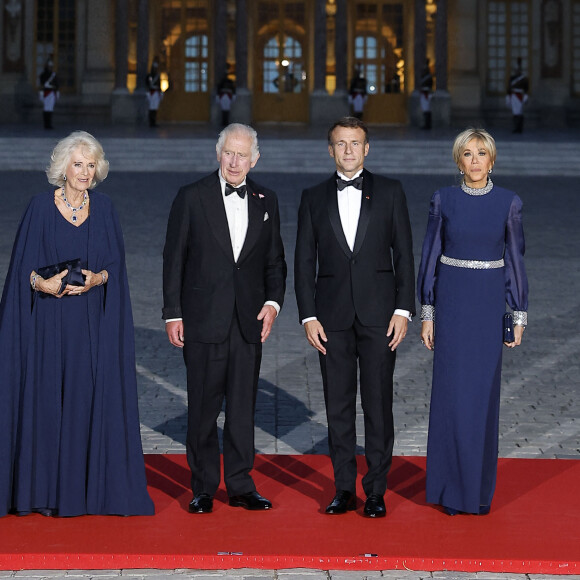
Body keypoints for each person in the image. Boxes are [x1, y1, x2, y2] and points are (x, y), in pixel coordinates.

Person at [0, 131, 154, 517]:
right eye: (78, 164)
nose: (84, 171)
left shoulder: (105, 208)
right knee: (49, 404)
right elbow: (21, 271)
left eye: (90, 164)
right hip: (48, 328)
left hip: (90, 328)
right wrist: (43, 282)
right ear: (63, 167)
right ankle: (44, 492)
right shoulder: (38, 208)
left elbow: (115, 267)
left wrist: (98, 279)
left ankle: (85, 492)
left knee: (84, 403)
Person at [294, 117, 415, 518]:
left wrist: (403, 310)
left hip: (382, 316)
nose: (348, 150)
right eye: (341, 144)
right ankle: (343, 488)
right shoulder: (312, 197)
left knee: (378, 405)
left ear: (368, 148)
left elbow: (405, 256)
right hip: (331, 319)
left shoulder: (392, 192)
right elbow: (303, 261)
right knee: (338, 406)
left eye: (355, 143)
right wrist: (308, 315)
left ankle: (376, 490)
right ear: (330, 150)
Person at [163, 123, 287, 514]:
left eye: (243, 155)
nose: (235, 162)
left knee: (243, 407)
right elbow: (173, 261)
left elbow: (275, 261)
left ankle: (240, 484)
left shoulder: (268, 200)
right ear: (218, 154)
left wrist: (273, 303)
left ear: (255, 159)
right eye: (229, 153)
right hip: (202, 319)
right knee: (202, 406)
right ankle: (202, 486)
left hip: (248, 320)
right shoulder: (191, 197)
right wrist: (172, 314)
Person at [417, 127, 528, 516]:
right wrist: (428, 312)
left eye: (482, 153)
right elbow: (430, 257)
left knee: (480, 399)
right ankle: (449, 490)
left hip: (484, 308)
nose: (476, 160)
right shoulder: (442, 200)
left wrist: (516, 313)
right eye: (468, 153)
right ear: (458, 160)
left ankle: (477, 492)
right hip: (451, 305)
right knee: (451, 398)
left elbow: (515, 261)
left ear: (492, 159)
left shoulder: (508, 203)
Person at [506, 58, 529, 133]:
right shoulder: (512, 78)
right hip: (514, 97)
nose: (517, 71)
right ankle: (516, 127)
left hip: (520, 96)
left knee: (520, 113)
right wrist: (508, 97)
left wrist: (525, 97)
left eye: (518, 70)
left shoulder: (523, 79)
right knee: (515, 113)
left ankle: (520, 128)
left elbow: (526, 89)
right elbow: (509, 88)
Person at [39, 57, 59, 129]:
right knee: (46, 109)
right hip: (46, 93)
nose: (50, 68)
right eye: (49, 66)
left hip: (51, 93)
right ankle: (46, 124)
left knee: (50, 109)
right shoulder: (43, 75)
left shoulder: (53, 75)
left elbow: (56, 84)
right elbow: (42, 84)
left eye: (51, 66)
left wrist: (56, 91)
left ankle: (49, 124)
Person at [145, 57, 163, 127]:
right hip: (151, 93)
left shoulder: (157, 76)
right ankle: (151, 122)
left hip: (156, 93)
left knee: (155, 108)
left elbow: (159, 85)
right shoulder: (149, 76)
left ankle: (154, 122)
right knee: (151, 108)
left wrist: (160, 92)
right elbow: (147, 84)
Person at [419, 59, 434, 130]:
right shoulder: (425, 76)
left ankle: (428, 124)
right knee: (425, 110)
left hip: (427, 94)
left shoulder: (428, 77)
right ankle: (426, 124)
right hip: (424, 94)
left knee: (427, 110)